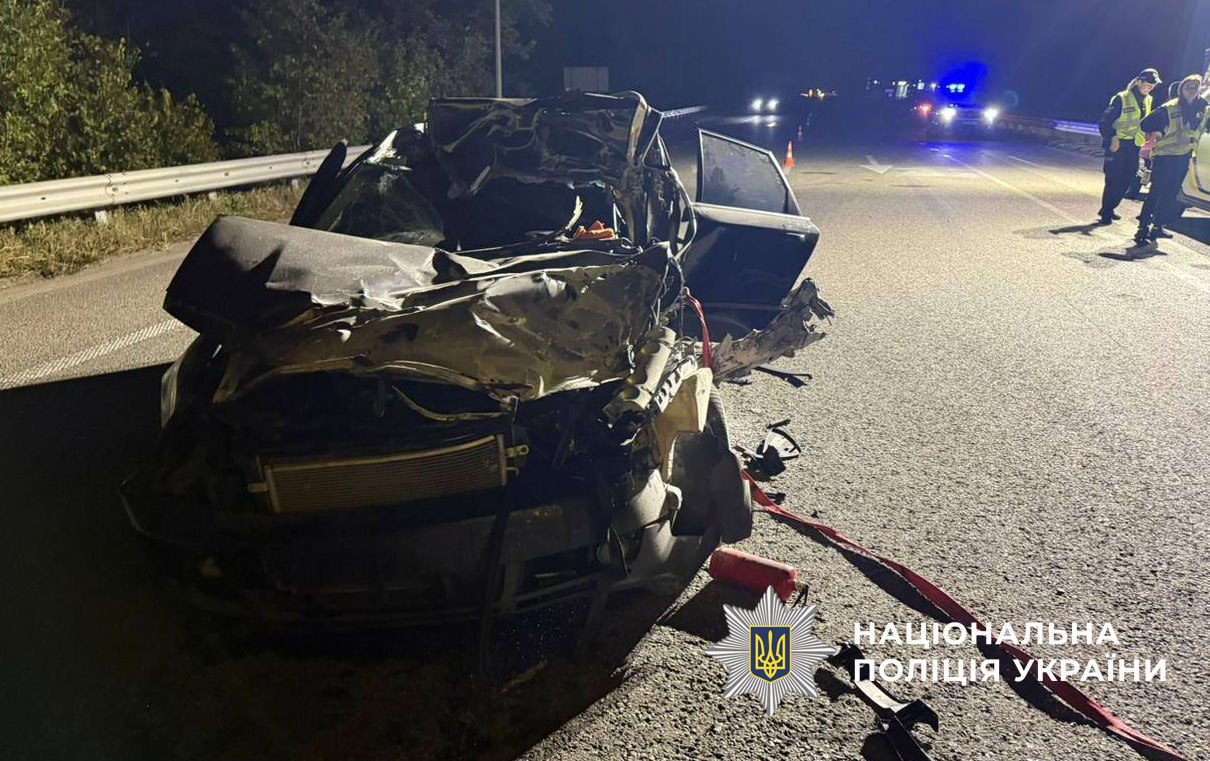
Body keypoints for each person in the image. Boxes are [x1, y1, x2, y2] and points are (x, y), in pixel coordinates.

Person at [1134, 74, 1209, 243]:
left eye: (1195, 86)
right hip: (1165, 157)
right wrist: (1158, 131)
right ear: (1181, 89)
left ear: (1200, 88)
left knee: (1170, 194)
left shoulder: (1203, 107)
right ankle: (1142, 228)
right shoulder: (1169, 107)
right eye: (1188, 86)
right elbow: (1145, 123)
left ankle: (1157, 226)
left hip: (1183, 157)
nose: (1192, 89)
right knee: (1156, 192)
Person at [1097, 69, 1160, 224]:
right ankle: (1106, 211)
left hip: (1134, 145)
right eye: (1148, 84)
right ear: (1139, 81)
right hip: (1118, 143)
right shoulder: (1122, 98)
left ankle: (1110, 207)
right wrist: (1112, 137)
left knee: (1129, 177)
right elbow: (1104, 121)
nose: (1151, 87)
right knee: (1113, 178)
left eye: (1153, 85)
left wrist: (1151, 132)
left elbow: (1143, 121)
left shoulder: (1148, 99)